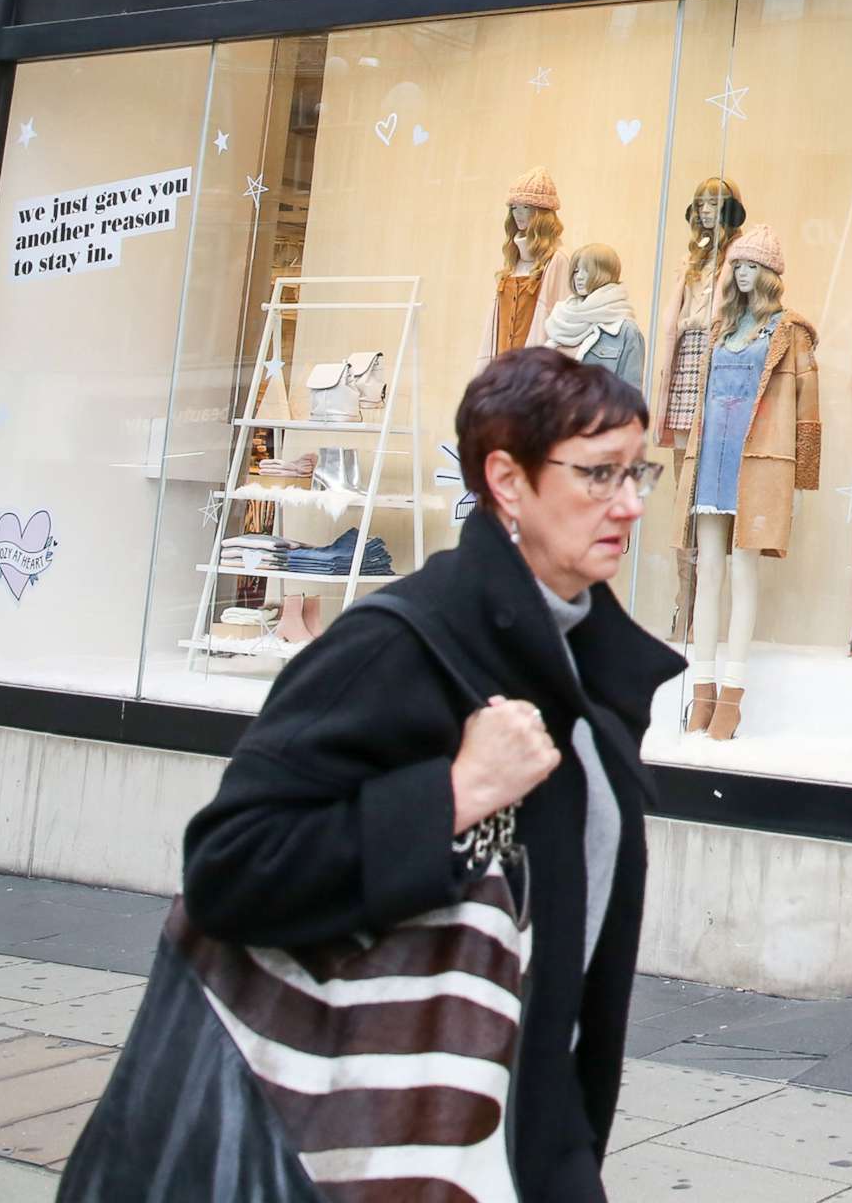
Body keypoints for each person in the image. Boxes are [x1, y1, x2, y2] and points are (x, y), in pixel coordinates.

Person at [180, 348, 687, 1199]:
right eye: (600, 475)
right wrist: (453, 794)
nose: (630, 505)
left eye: (640, 473)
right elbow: (230, 866)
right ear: (507, 480)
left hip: (518, 1112)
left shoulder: (578, 652)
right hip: (391, 1119)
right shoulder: (402, 644)